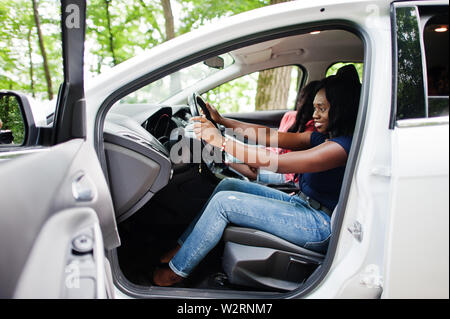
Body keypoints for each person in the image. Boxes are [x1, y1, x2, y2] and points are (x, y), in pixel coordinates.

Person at [153, 74, 361, 286]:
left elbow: (278, 162)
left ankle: (177, 271)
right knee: (228, 185)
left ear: (340, 110)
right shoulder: (325, 138)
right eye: (315, 107)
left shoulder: (341, 148)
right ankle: (183, 246)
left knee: (224, 203)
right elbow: (270, 136)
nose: (314, 115)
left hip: (320, 226)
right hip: (304, 203)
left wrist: (222, 142)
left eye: (322, 109)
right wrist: (223, 121)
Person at [227, 80, 319, 184]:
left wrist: (255, 162)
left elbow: (279, 158)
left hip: (284, 170)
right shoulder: (293, 117)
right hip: (274, 158)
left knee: (228, 159)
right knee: (229, 155)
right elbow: (273, 143)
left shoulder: (311, 129)